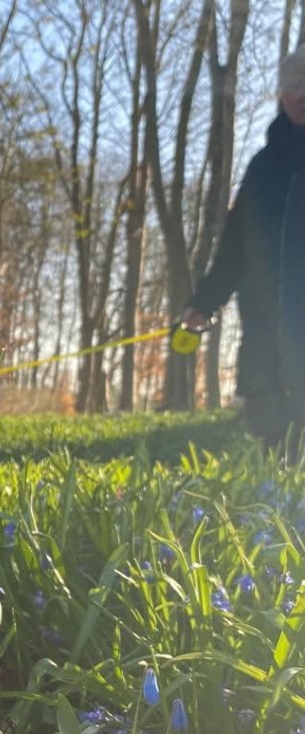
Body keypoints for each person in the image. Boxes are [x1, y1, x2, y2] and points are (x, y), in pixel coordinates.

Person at [183, 46, 305, 448]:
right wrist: (205, 301)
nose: (302, 95)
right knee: (271, 441)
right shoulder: (261, 167)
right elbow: (235, 246)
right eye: (294, 86)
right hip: (264, 333)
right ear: (282, 94)